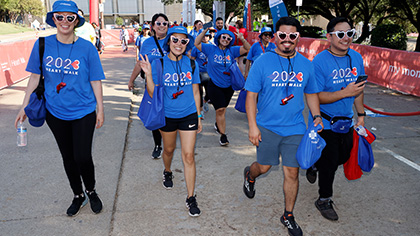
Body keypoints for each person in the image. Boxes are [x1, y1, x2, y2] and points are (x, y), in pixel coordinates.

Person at [15, 0, 105, 217]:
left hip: (83, 110)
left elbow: (95, 80)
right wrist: (24, 106)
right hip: (55, 112)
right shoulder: (42, 44)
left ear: (76, 21)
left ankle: (91, 190)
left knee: (83, 156)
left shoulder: (87, 48)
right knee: (68, 157)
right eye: (60, 17)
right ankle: (78, 195)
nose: (65, 21)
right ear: (53, 19)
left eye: (70, 17)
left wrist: (100, 109)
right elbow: (35, 77)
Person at [242, 17, 323, 236]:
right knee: (265, 167)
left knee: (292, 173)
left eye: (293, 36)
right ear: (276, 36)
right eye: (283, 35)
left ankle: (288, 215)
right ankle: (250, 174)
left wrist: (316, 116)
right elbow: (251, 97)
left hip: (296, 128)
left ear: (299, 38)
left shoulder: (306, 64)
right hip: (266, 127)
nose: (287, 40)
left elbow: (311, 92)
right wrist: (252, 126)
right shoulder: (262, 62)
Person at [305, 16, 367, 221]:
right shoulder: (320, 62)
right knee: (330, 163)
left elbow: (358, 91)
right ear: (329, 36)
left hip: (347, 121)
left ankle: (315, 164)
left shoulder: (356, 58)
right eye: (340, 34)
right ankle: (324, 199)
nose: (346, 38)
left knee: (343, 156)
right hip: (325, 122)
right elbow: (316, 95)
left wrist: (361, 116)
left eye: (350, 33)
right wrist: (344, 93)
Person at [138, 26, 202, 217]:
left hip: (189, 114)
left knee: (189, 156)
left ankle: (191, 197)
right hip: (167, 115)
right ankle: (167, 170)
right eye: (175, 39)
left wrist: (198, 116)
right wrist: (148, 74)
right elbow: (152, 92)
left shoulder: (192, 64)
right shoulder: (159, 64)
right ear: (169, 41)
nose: (179, 44)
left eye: (184, 41)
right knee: (168, 150)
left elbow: (196, 91)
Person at [194, 28, 250, 146]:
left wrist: (241, 38)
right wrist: (203, 32)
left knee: (222, 109)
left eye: (229, 38)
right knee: (220, 110)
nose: (226, 39)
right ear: (218, 38)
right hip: (214, 84)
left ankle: (217, 124)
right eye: (223, 37)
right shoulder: (211, 49)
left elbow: (248, 48)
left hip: (229, 86)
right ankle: (223, 135)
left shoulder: (232, 50)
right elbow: (197, 43)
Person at [128, 13, 169, 159]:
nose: (162, 26)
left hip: (171, 85)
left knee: (170, 114)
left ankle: (169, 143)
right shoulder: (147, 43)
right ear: (152, 26)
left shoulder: (174, 40)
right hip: (153, 85)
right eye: (158, 23)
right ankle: (158, 145)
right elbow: (141, 63)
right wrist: (131, 80)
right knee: (155, 114)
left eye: (165, 23)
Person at [190, 32, 212, 118]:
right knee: (199, 91)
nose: (205, 38)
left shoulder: (212, 47)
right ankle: (201, 109)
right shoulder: (196, 48)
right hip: (198, 72)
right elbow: (192, 59)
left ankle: (205, 100)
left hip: (209, 73)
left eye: (207, 36)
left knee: (209, 92)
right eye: (203, 36)